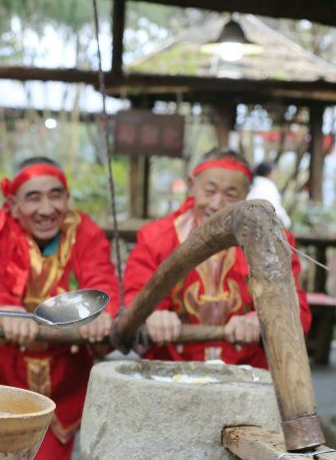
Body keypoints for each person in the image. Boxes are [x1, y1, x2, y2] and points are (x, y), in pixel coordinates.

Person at [0, 156, 120, 460]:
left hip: (61, 380)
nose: (46, 209)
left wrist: (103, 312)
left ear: (67, 199)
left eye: (56, 195)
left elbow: (101, 279)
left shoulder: (85, 232)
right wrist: (3, 309)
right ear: (13, 205)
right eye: (33, 197)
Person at [123, 148, 310, 369]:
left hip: (246, 370)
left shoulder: (271, 242)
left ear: (246, 195)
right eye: (209, 190)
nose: (216, 204)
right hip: (171, 369)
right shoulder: (156, 237)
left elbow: (296, 310)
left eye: (231, 194)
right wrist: (153, 315)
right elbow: (134, 297)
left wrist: (261, 319)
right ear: (192, 186)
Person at [247, 160, 291, 227]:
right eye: (275, 172)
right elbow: (275, 208)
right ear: (268, 172)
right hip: (263, 225)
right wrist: (286, 222)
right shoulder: (268, 186)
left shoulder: (254, 184)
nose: (277, 175)